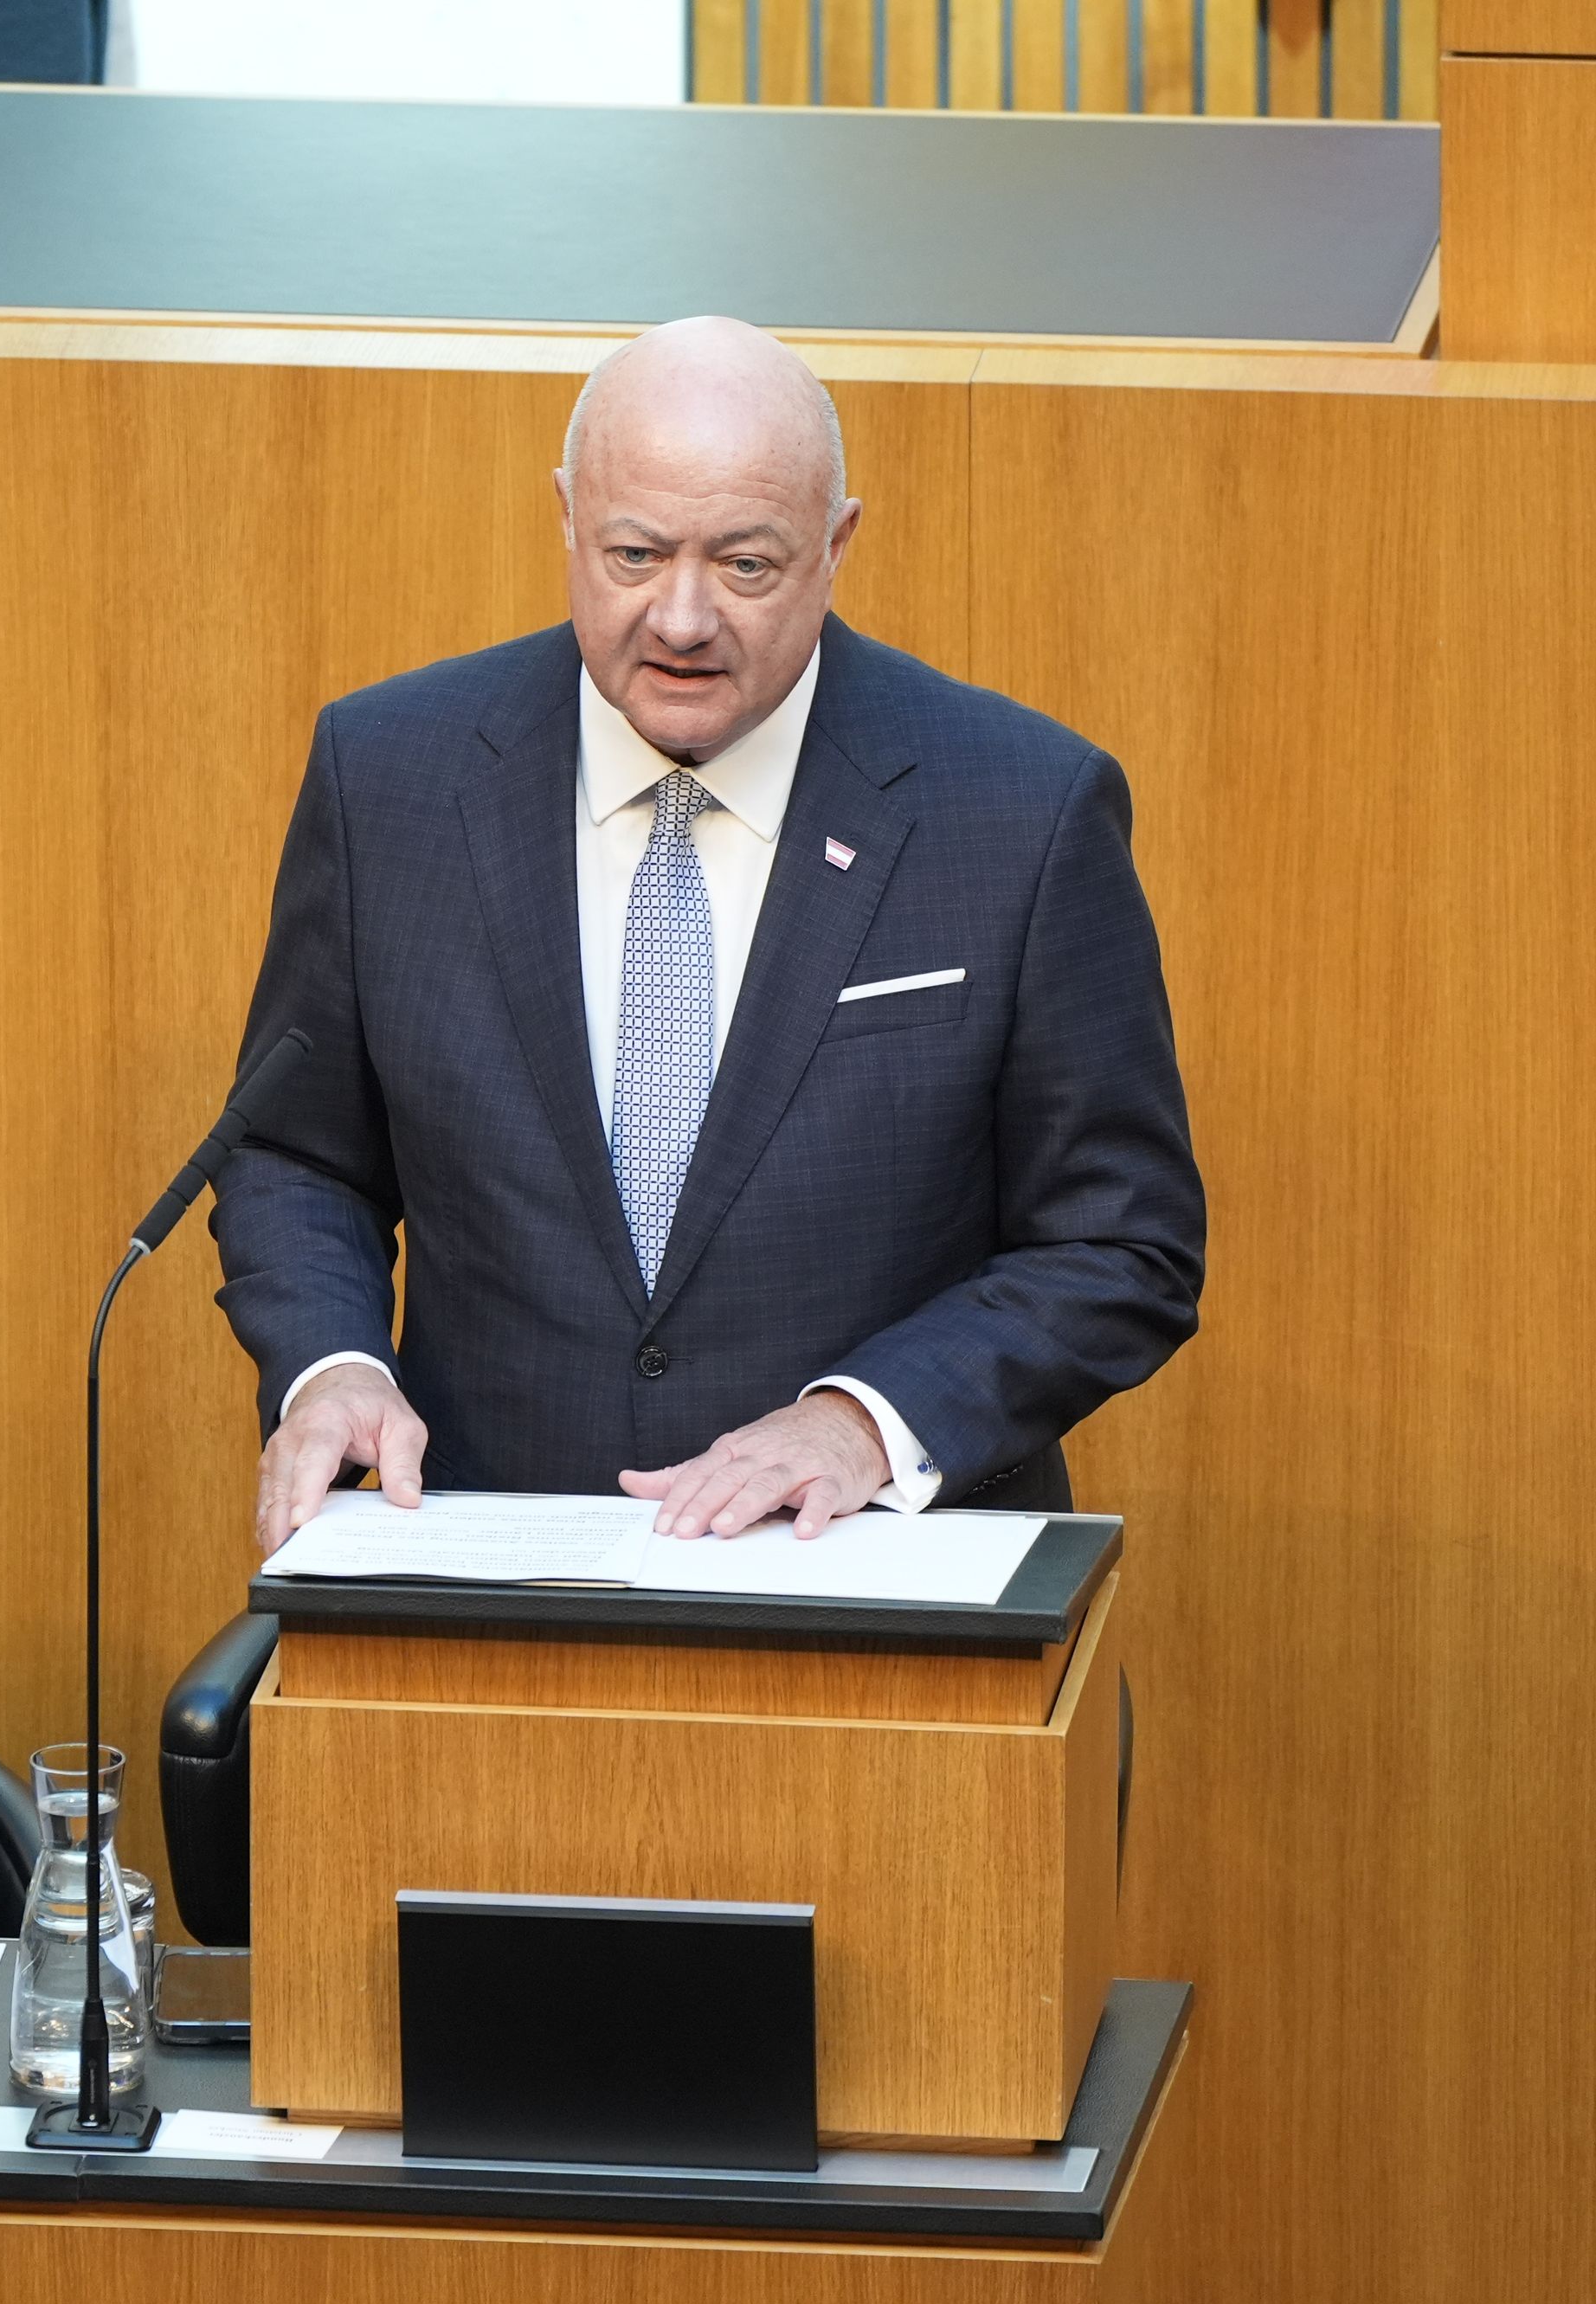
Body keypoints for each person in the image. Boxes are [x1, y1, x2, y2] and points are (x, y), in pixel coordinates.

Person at [216, 317, 1208, 1551]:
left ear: (836, 544)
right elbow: (296, 1157)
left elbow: (1121, 1238)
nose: (681, 618)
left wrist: (865, 1420)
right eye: (634, 553)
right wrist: (332, 1364)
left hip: (873, 1586)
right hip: (483, 1570)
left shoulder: (1019, 809)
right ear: (568, 518)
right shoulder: (391, 777)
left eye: (745, 565)